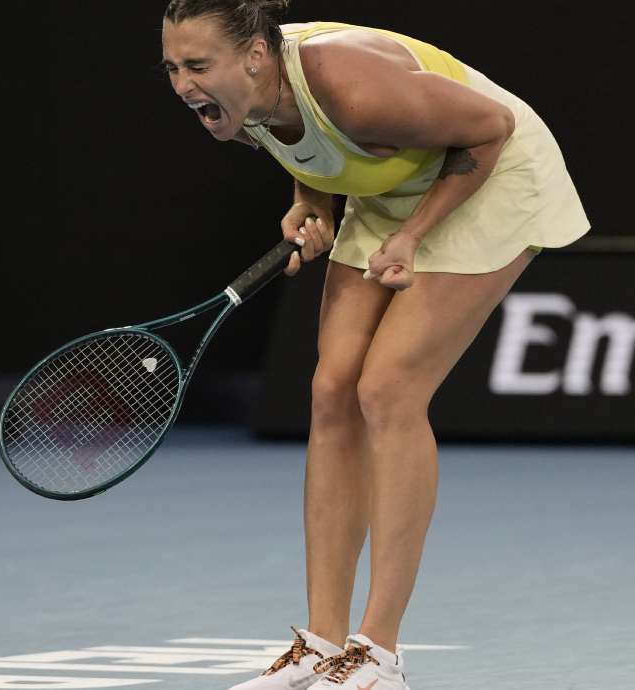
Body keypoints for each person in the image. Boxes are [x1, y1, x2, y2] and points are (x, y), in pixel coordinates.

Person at [160, 1, 589, 689]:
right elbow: (294, 138)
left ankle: (379, 652)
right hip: (397, 179)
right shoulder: (233, 104)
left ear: (255, 58)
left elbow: (490, 131)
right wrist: (315, 200)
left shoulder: (353, 87)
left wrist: (414, 236)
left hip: (489, 174)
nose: (183, 84)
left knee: (386, 391)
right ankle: (322, 643)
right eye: (173, 67)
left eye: (198, 66)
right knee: (331, 392)